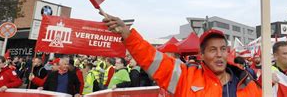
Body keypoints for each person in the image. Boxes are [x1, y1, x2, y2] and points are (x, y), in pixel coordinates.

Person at [103, 14, 262, 96]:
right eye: (213, 50)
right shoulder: (185, 77)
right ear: (202, 55)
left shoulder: (247, 82)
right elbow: (151, 58)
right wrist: (127, 35)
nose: (219, 54)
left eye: (223, 49)